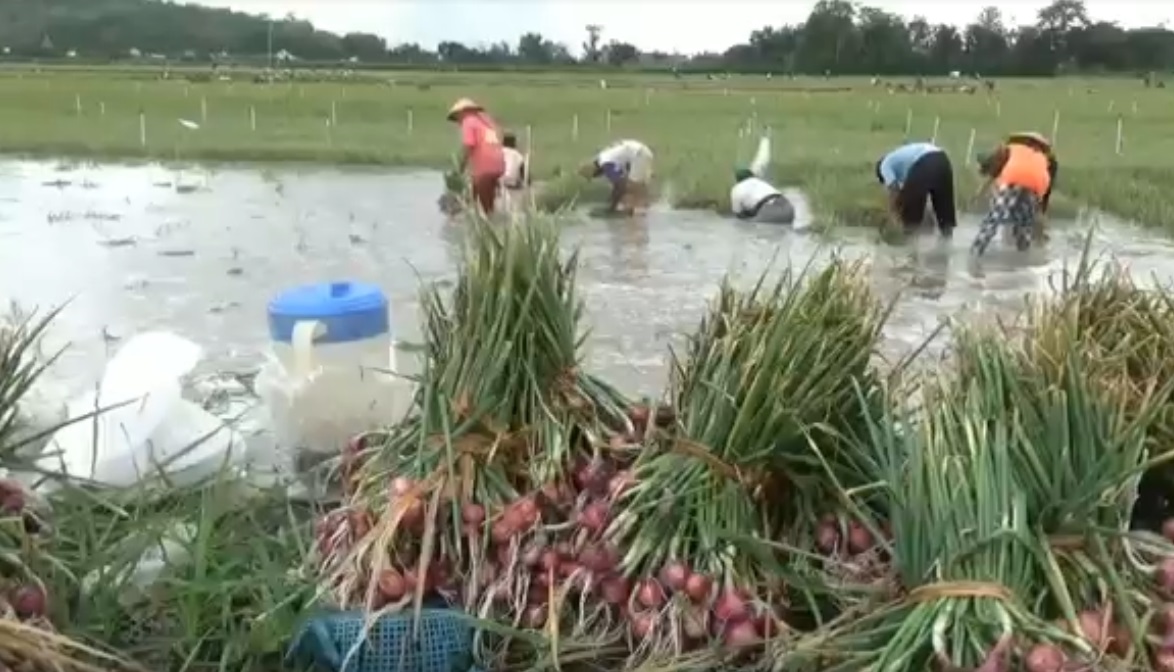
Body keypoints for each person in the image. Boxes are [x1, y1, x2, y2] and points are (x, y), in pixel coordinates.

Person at [970, 132, 1056, 255]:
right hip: (1035, 188)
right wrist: (1041, 208)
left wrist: (979, 193)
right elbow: (1046, 186)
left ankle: (976, 251)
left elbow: (993, 173)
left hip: (1012, 182)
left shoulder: (1010, 149)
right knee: (1024, 225)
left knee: (994, 219)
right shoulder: (1044, 158)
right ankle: (1023, 255)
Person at [874, 142, 957, 237]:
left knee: (909, 212)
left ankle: (910, 245)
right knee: (944, 212)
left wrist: (892, 214)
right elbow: (916, 194)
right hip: (943, 160)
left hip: (925, 160)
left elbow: (894, 190)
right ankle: (947, 245)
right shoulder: (904, 165)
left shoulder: (884, 165)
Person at [446, 98, 505, 215]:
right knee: (482, 201)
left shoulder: (468, 121)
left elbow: (469, 146)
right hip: (498, 166)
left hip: (484, 168)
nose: (458, 121)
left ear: (462, 112)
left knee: (483, 208)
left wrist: (460, 168)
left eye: (457, 117)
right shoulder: (487, 122)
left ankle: (485, 228)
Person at [729, 134, 794, 224]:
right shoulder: (759, 182)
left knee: (751, 227)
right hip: (788, 207)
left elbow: (738, 215)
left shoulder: (736, 189)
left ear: (737, 180)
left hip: (769, 209)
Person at [579, 139, 654, 215]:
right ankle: (642, 209)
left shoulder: (606, 163)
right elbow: (619, 181)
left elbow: (620, 185)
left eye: (595, 175)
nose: (599, 176)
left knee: (631, 187)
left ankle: (633, 215)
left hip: (638, 154)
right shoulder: (607, 157)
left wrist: (612, 207)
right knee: (638, 186)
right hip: (642, 151)